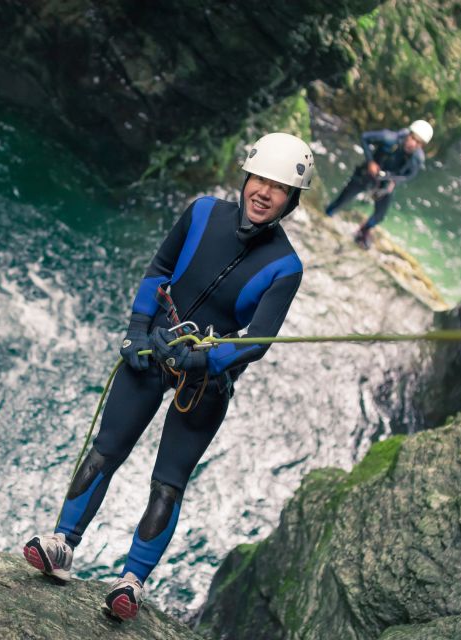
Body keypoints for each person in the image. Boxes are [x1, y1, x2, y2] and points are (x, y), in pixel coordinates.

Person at [23, 132, 313, 621]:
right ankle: (62, 545)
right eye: (259, 179)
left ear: (292, 200)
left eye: (278, 187)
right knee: (106, 449)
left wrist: (204, 361)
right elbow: (160, 269)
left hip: (204, 376)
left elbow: (257, 341)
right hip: (153, 348)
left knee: (168, 483)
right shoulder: (202, 212)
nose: (263, 192)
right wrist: (137, 330)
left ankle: (131, 582)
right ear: (245, 179)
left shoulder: (285, 267)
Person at [324, 119, 433, 249]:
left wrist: (394, 180)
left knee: (379, 215)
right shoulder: (389, 138)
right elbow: (365, 137)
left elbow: (409, 175)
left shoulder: (417, 159)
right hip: (367, 175)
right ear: (408, 134)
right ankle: (327, 215)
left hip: (385, 182)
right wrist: (370, 161)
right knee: (341, 201)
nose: (413, 144)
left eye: (419, 143)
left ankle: (364, 230)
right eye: (413, 139)